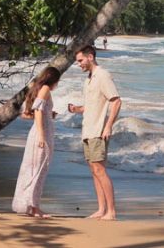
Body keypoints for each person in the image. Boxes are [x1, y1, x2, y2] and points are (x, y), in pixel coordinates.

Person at [67, 45, 122, 220]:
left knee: (99, 170)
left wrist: (108, 126)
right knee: (94, 171)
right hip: (87, 130)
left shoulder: (103, 75)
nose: (79, 64)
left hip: (98, 130)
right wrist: (77, 109)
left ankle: (111, 212)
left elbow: (116, 101)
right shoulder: (88, 79)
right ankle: (101, 209)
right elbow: (91, 105)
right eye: (78, 61)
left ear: (90, 57)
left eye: (80, 60)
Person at [12, 66, 60, 218]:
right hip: (41, 134)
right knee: (38, 170)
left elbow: (28, 114)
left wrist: (49, 113)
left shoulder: (38, 89)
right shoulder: (45, 89)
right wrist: (41, 135)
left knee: (34, 169)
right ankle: (34, 208)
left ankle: (31, 206)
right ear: (53, 79)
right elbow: (38, 111)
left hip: (40, 133)